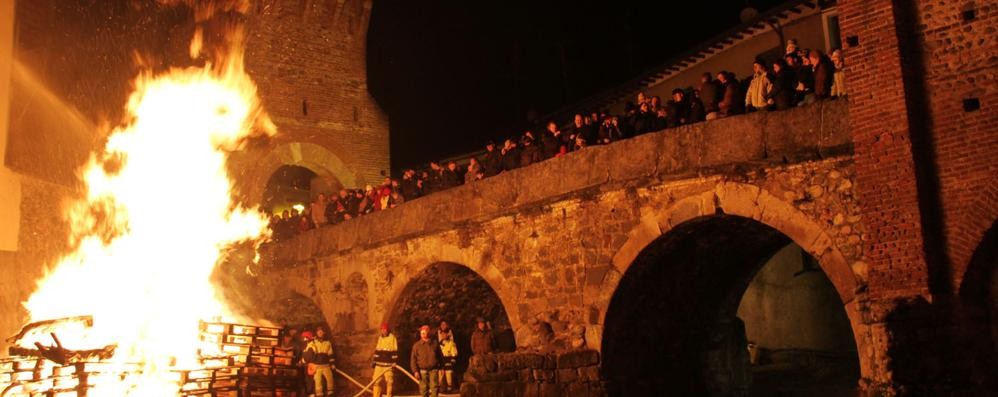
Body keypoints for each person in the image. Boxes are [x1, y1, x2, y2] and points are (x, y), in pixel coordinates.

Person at [411, 325, 442, 397]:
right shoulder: (417, 345)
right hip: (422, 371)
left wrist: (442, 367)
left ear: (428, 333)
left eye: (424, 332)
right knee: (423, 389)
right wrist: (415, 371)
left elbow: (440, 356)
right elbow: (413, 359)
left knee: (434, 388)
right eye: (422, 333)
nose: (423, 334)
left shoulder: (434, 343)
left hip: (433, 369)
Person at [303, 328, 335, 397]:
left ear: (324, 333)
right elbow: (309, 353)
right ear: (316, 333)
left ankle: (330, 392)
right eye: (318, 332)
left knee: (330, 378)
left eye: (321, 332)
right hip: (317, 366)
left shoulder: (328, 343)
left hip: (326, 365)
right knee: (318, 380)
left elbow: (330, 354)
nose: (320, 333)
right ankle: (319, 394)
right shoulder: (313, 343)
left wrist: (332, 364)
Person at [372, 323, 398, 397]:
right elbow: (377, 350)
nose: (383, 331)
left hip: (388, 365)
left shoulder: (392, 338)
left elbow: (394, 351)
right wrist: (374, 360)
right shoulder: (380, 338)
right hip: (379, 365)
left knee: (389, 382)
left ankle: (389, 396)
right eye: (382, 330)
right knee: (376, 381)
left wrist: (394, 362)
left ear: (387, 330)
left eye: (384, 329)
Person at [439, 327, 458, 393]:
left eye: (445, 333)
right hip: (441, 363)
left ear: (447, 334)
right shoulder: (439, 344)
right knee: (440, 377)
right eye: (442, 334)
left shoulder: (451, 343)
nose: (443, 335)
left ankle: (450, 389)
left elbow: (454, 354)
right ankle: (441, 389)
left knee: (449, 376)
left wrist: (451, 361)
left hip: (448, 362)